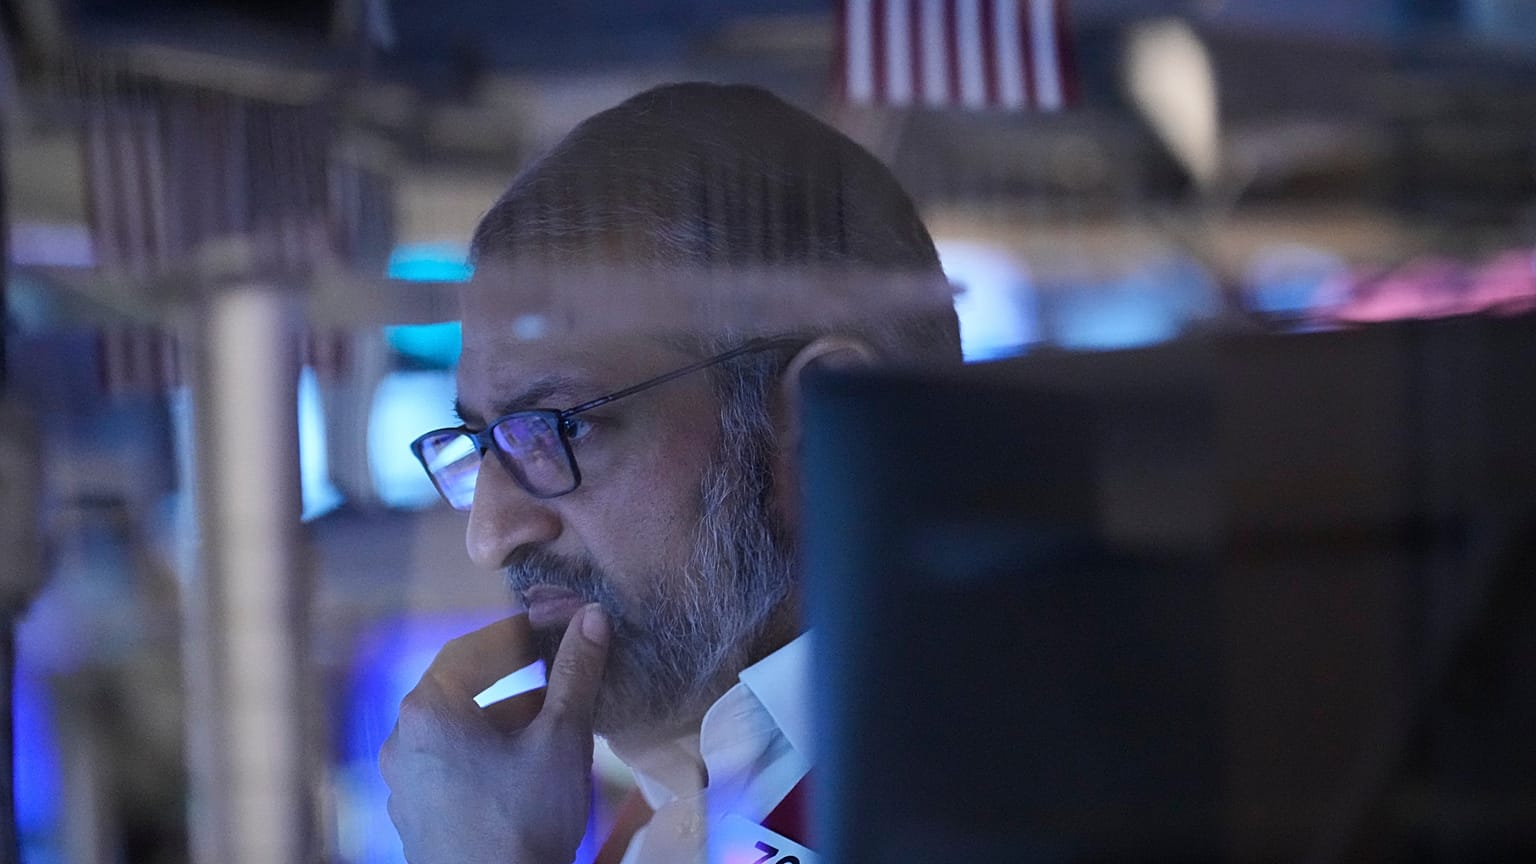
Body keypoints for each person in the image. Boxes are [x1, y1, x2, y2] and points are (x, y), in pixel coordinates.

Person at [379, 82, 960, 864]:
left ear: (826, 414)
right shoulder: (688, 791)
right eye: (482, 443)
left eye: (562, 426)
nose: (490, 535)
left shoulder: (1011, 789)